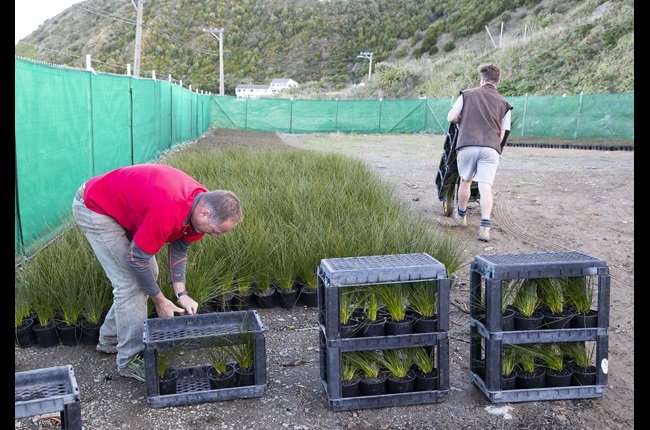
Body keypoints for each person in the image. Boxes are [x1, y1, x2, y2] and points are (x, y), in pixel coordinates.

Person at [71, 163, 243, 382]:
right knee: (130, 284)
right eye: (216, 231)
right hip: (95, 206)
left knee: (149, 272)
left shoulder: (201, 208)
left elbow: (180, 247)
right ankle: (129, 360)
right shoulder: (170, 207)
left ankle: (110, 338)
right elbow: (136, 259)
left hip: (125, 208)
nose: (215, 235)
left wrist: (182, 294)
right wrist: (160, 301)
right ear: (205, 212)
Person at [446, 63, 513, 242]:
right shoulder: (505, 104)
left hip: (468, 144)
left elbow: (451, 117)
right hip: (491, 147)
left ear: (482, 80)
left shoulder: (467, 95)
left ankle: (461, 216)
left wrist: (464, 120)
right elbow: (501, 136)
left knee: (466, 181)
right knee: (485, 187)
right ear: (497, 82)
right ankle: (484, 226)